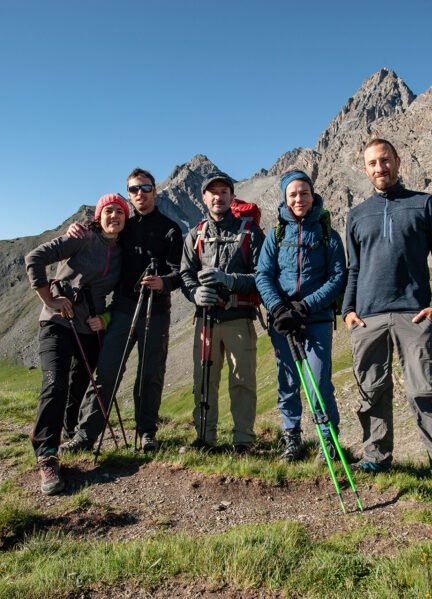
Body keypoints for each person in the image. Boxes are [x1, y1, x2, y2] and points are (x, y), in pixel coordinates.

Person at [342, 138, 432, 503]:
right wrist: (348, 311)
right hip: (367, 318)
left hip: (414, 314)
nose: (380, 168)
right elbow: (354, 269)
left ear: (398, 162)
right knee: (371, 393)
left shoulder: (424, 204)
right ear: (365, 169)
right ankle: (376, 459)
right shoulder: (357, 215)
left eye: (385, 160)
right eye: (372, 163)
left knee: (426, 393)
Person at [61, 168, 182, 452]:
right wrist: (74, 229)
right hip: (123, 310)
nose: (141, 193)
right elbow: (99, 233)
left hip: (157, 310)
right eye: (134, 189)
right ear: (129, 194)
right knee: (107, 372)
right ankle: (85, 435)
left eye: (146, 188)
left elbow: (180, 273)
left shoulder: (170, 229)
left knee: (150, 373)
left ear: (155, 191)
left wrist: (162, 282)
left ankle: (146, 432)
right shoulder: (124, 225)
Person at [24, 193, 128, 494]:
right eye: (108, 211)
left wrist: (105, 317)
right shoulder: (82, 237)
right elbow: (35, 258)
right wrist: (49, 300)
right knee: (55, 384)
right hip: (58, 323)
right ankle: (47, 454)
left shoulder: (122, 252)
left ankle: (70, 437)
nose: (114, 216)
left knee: (80, 385)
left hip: (88, 328)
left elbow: (120, 296)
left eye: (119, 212)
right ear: (99, 215)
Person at [255, 170, 347, 462]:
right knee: (288, 383)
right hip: (283, 322)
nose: (299, 199)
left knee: (318, 383)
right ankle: (291, 439)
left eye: (303, 193)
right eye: (292, 194)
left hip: (316, 319)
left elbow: (337, 278)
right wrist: (279, 308)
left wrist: (304, 307)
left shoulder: (327, 234)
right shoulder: (275, 235)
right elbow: (263, 275)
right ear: (285, 197)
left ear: (313, 195)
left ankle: (327, 441)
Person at [180, 172, 264, 454]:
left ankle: (243, 441)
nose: (218, 196)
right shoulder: (196, 234)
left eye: (224, 191)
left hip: (239, 318)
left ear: (232, 196)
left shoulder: (250, 231)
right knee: (204, 380)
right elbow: (185, 274)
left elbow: (262, 277)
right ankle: (205, 438)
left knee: (243, 381)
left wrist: (230, 280)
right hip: (206, 320)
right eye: (212, 192)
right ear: (204, 197)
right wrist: (194, 293)